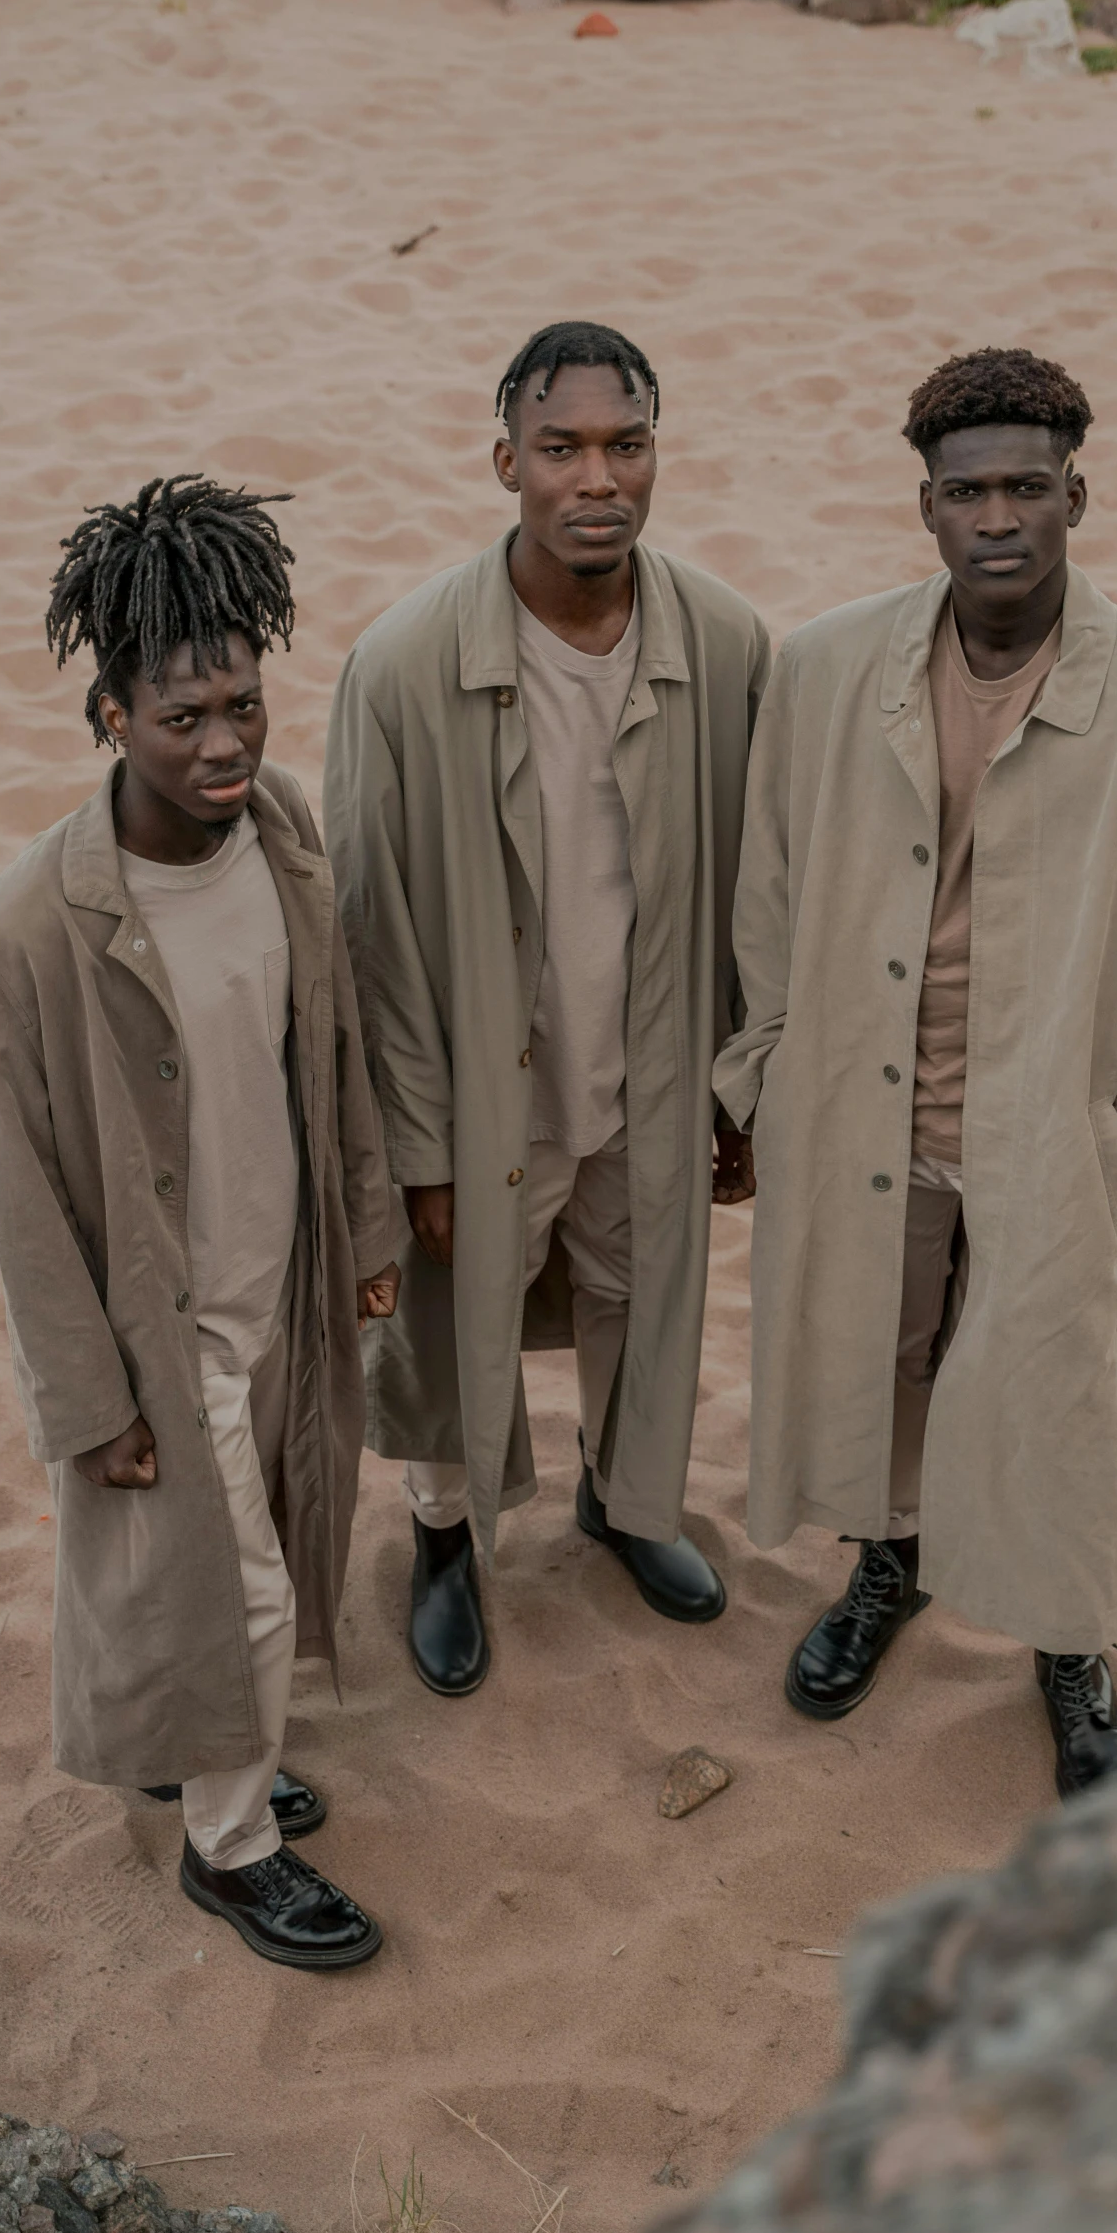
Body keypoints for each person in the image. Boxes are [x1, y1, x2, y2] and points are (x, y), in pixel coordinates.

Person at [715, 349, 1117, 1799]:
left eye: (1026, 486)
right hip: (861, 1107)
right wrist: (762, 1068)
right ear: (925, 508)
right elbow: (762, 887)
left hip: (1054, 1135)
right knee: (885, 1360)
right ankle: (885, 1570)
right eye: (967, 492)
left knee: (1060, 1392)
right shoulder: (825, 670)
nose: (997, 517)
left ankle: (1069, 1650)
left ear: (1077, 493)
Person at [0, 476, 401, 1966]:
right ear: (108, 717)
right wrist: (86, 1394)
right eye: (178, 717)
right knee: (242, 1590)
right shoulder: (23, 929)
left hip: (285, 1284)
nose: (220, 745)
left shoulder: (285, 837)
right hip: (159, 1326)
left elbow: (329, 1048)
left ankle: (200, 1748)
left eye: (242, 705)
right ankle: (231, 1845)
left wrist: (371, 1227)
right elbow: (19, 1189)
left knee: (243, 1553)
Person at [323, 322, 767, 1697]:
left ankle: (623, 1505)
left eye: (625, 445)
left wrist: (738, 1079)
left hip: (648, 1070)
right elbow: (368, 939)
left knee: (644, 1301)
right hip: (481, 1092)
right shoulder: (400, 667)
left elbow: (762, 879)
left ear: (656, 456)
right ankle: (445, 1536)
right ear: (503, 457)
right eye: (562, 447)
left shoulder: (729, 641)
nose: (597, 479)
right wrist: (421, 1144)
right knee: (455, 1326)